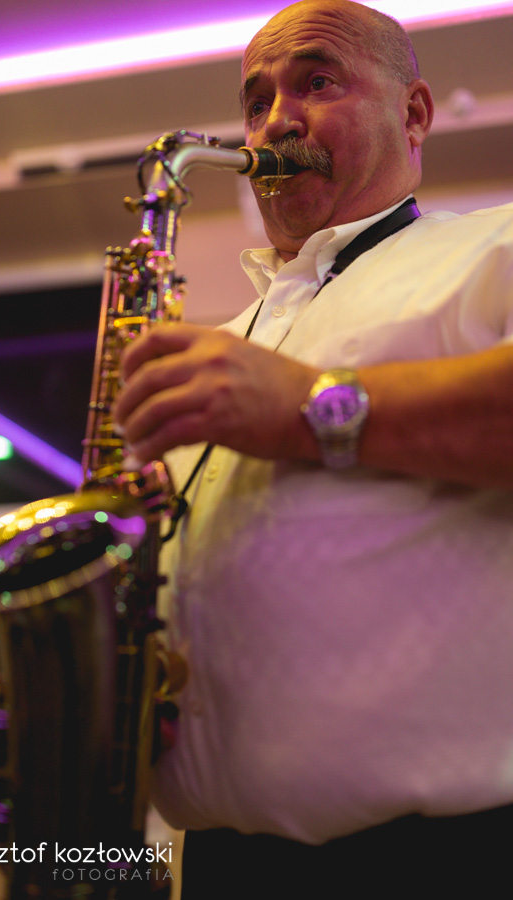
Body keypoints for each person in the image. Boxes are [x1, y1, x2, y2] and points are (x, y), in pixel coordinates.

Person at [115, 0, 513, 894]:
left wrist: (309, 409)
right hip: (219, 859)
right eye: (255, 102)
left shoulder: (497, 243)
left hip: (445, 860)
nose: (274, 123)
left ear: (414, 114)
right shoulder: (231, 337)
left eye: (317, 82)